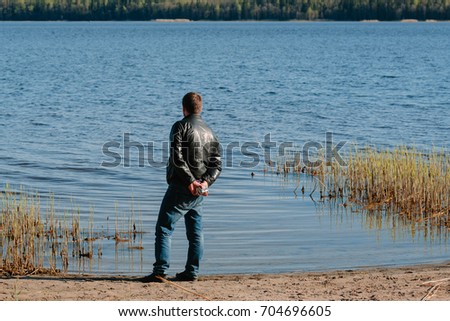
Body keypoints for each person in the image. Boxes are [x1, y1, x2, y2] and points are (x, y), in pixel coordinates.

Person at [142, 92, 222, 282]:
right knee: (195, 233)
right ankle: (191, 272)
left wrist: (190, 182)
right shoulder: (210, 131)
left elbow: (177, 159)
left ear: (183, 108)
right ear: (199, 108)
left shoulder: (180, 126)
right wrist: (205, 183)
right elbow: (217, 165)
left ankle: (160, 271)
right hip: (199, 191)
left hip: (182, 187)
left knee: (164, 227)